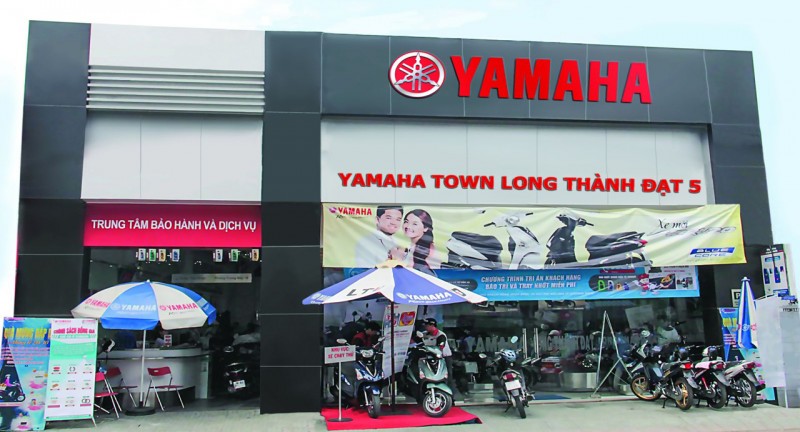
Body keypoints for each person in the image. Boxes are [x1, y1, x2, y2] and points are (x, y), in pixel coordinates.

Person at [418, 318, 457, 399]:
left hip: (444, 357)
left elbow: (440, 347)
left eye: (427, 325)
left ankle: (451, 397)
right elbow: (415, 341)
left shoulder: (440, 335)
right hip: (430, 357)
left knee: (448, 376)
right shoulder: (425, 334)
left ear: (432, 325)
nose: (425, 327)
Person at [391, 209, 439, 274]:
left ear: (425, 228)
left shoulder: (427, 249)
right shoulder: (411, 247)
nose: (408, 226)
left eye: (415, 224)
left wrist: (397, 260)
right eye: (406, 222)